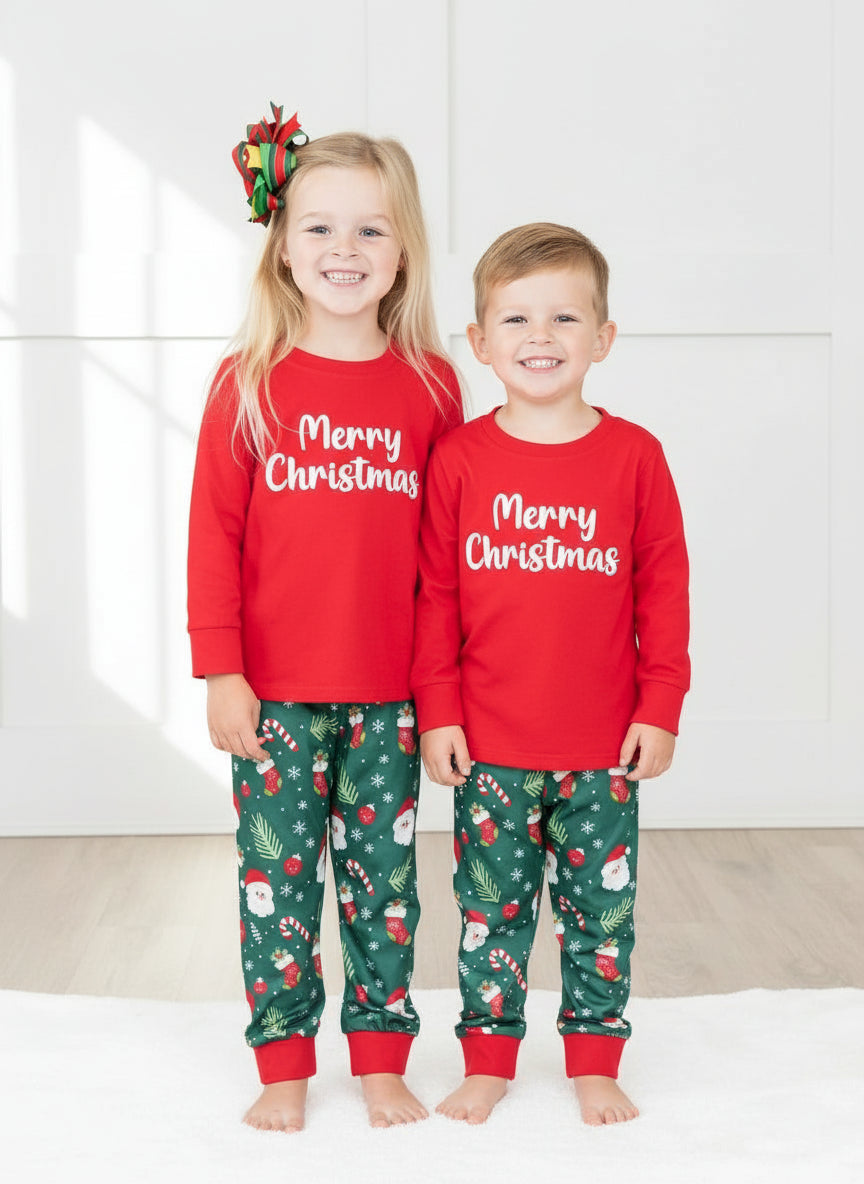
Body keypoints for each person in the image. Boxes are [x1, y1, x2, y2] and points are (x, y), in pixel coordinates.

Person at [187, 104, 462, 1134]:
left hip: (392, 697)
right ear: (283, 247)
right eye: (320, 227)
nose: (344, 249)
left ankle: (384, 1054)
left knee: (385, 888)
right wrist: (222, 670)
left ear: (402, 253)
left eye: (370, 229)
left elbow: (446, 568)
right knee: (277, 886)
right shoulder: (247, 384)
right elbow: (213, 538)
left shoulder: (433, 389)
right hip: (273, 699)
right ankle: (286, 1058)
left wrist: (445, 697)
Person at [411, 222, 690, 1126]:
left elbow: (664, 593)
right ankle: (488, 1060)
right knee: (490, 918)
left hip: (604, 748)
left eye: (566, 317)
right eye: (518, 318)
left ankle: (595, 1061)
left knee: (600, 919)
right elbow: (436, 597)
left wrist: (661, 706)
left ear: (603, 339)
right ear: (481, 342)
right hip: (490, 746)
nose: (542, 336)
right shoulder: (457, 458)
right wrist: (440, 714)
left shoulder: (635, 456)